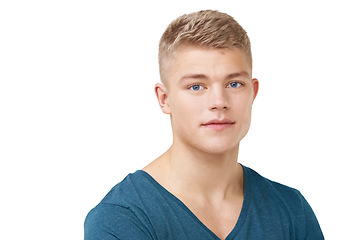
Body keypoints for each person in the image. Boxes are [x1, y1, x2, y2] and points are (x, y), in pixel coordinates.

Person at [84, 10, 324, 239]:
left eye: (234, 84)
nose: (219, 102)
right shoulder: (121, 217)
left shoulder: (293, 210)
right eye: (196, 86)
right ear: (164, 99)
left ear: (253, 92)